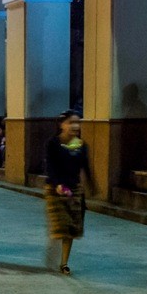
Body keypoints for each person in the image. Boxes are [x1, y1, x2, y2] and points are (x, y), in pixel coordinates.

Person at [44, 111, 95, 276]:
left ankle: (64, 263)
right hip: (55, 190)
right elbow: (50, 166)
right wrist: (57, 184)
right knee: (60, 226)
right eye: (71, 122)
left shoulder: (81, 146)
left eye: (78, 122)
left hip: (74, 190)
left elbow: (85, 167)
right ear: (62, 124)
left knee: (71, 229)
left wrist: (91, 185)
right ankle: (54, 242)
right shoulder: (53, 143)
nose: (75, 126)